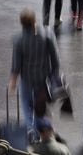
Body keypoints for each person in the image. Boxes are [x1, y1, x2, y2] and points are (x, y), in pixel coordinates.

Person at [9, 9, 60, 143]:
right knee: (40, 106)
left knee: (26, 104)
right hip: (43, 79)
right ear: (34, 20)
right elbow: (56, 60)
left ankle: (31, 129)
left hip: (27, 79)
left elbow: (16, 64)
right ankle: (44, 130)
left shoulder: (18, 40)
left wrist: (13, 81)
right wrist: (53, 77)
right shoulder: (48, 34)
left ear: (22, 23)